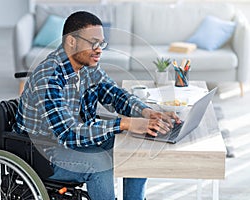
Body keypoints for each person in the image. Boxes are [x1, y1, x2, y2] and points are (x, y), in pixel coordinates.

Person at [14, 11, 180, 200]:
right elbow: (68, 134)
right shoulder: (49, 77)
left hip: (77, 140)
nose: (99, 49)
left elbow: (114, 94)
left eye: (101, 43)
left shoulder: (87, 67)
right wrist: (124, 123)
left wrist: (146, 112)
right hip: (45, 152)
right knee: (100, 164)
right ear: (71, 42)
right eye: (93, 43)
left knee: (136, 149)